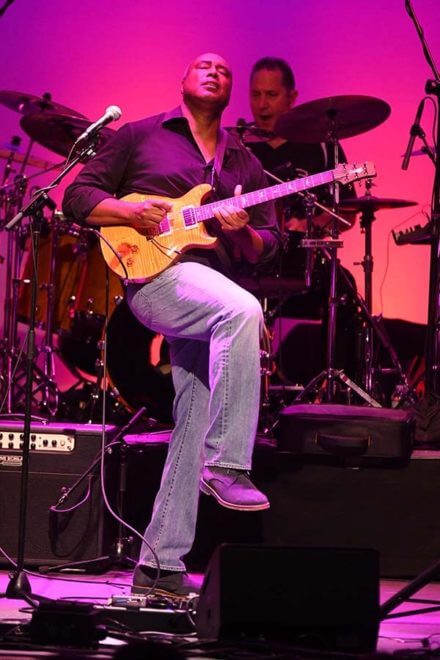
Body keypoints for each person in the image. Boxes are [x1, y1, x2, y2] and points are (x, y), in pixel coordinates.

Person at [62, 52, 281, 597]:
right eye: (203, 65)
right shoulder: (139, 136)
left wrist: (240, 231)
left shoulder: (243, 164)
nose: (214, 72)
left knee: (195, 417)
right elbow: (77, 197)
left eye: (225, 70)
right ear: (182, 81)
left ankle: (159, 565)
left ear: (230, 93)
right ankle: (228, 465)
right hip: (157, 280)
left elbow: (266, 247)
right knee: (243, 310)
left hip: (213, 289)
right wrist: (128, 213)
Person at [247, 56, 358, 381]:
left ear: (292, 98)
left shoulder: (321, 147)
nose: (262, 104)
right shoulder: (242, 149)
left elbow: (347, 209)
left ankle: (336, 386)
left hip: (301, 261)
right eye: (256, 94)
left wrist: (308, 226)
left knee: (345, 289)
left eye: (271, 95)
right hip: (250, 258)